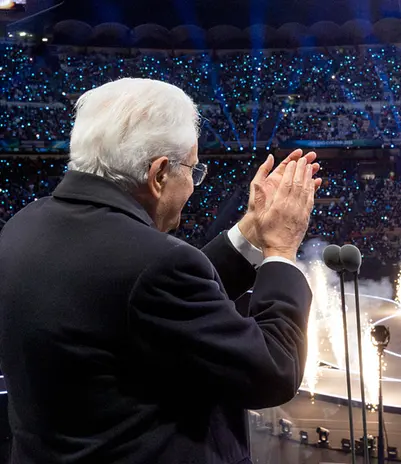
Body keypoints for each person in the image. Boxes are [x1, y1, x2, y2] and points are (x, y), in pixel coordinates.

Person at [0, 78, 322, 463]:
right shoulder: (155, 265)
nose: (193, 185)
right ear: (158, 174)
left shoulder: (23, 225)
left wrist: (250, 232)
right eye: (192, 170)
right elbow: (274, 371)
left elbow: (144, 302)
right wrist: (281, 249)